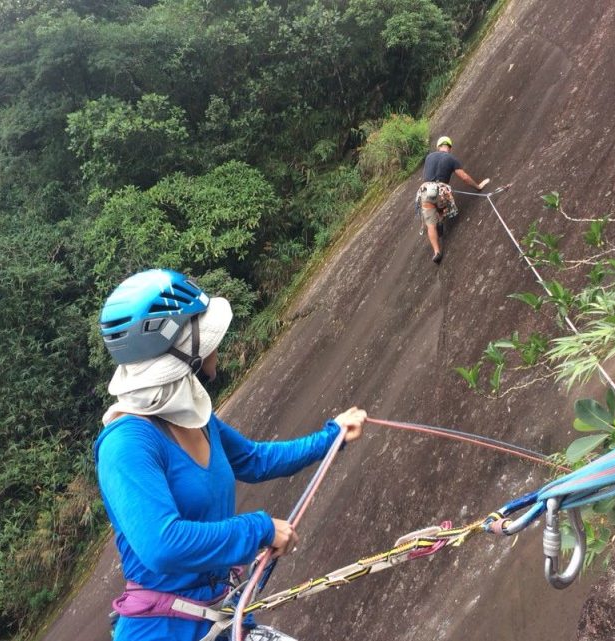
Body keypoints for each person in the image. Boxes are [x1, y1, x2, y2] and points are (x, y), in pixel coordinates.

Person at [94, 268, 367, 641]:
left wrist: (332, 436)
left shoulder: (192, 414)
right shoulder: (126, 445)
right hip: (164, 630)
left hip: (219, 614)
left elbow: (255, 460)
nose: (216, 344)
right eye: (206, 336)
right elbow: (162, 544)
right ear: (180, 350)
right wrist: (258, 529)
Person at [416, 136, 490, 264]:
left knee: (430, 225)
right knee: (443, 206)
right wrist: (478, 186)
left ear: (438, 147)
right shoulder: (451, 158)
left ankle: (436, 252)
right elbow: (464, 177)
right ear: (449, 148)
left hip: (426, 190)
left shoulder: (429, 157)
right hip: (441, 191)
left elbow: (427, 176)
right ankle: (440, 217)